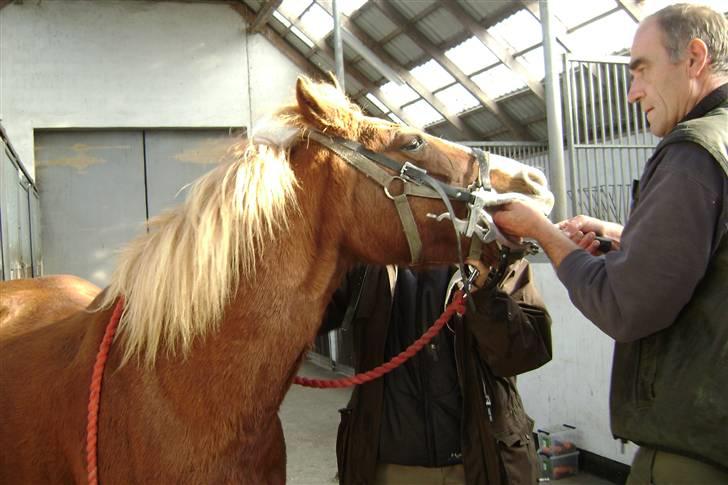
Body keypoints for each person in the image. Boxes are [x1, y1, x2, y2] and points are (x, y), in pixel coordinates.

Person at [492, 4, 728, 483]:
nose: (631, 91)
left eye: (642, 70)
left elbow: (624, 306)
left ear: (695, 57)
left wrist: (544, 232)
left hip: (698, 451)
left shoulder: (692, 153)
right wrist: (629, 238)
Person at [320, 250, 552, 485]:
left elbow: (527, 351)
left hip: (480, 465)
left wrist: (485, 289)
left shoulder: (496, 252)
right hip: (388, 468)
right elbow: (306, 314)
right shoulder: (365, 258)